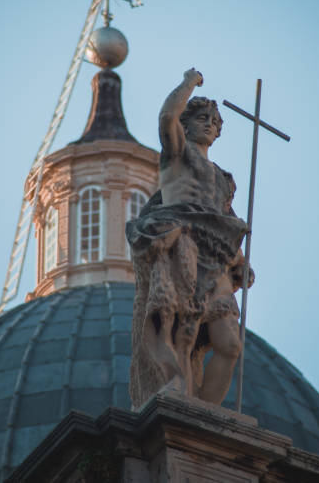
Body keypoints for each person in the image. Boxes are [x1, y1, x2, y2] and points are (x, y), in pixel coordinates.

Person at [126, 68, 253, 409]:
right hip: (184, 245)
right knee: (183, 335)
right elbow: (167, 115)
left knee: (229, 345)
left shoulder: (224, 179)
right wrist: (188, 83)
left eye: (215, 120)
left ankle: (207, 418)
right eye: (202, 117)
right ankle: (183, 405)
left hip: (218, 256)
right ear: (187, 123)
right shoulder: (178, 153)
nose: (210, 124)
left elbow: (224, 220)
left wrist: (241, 262)